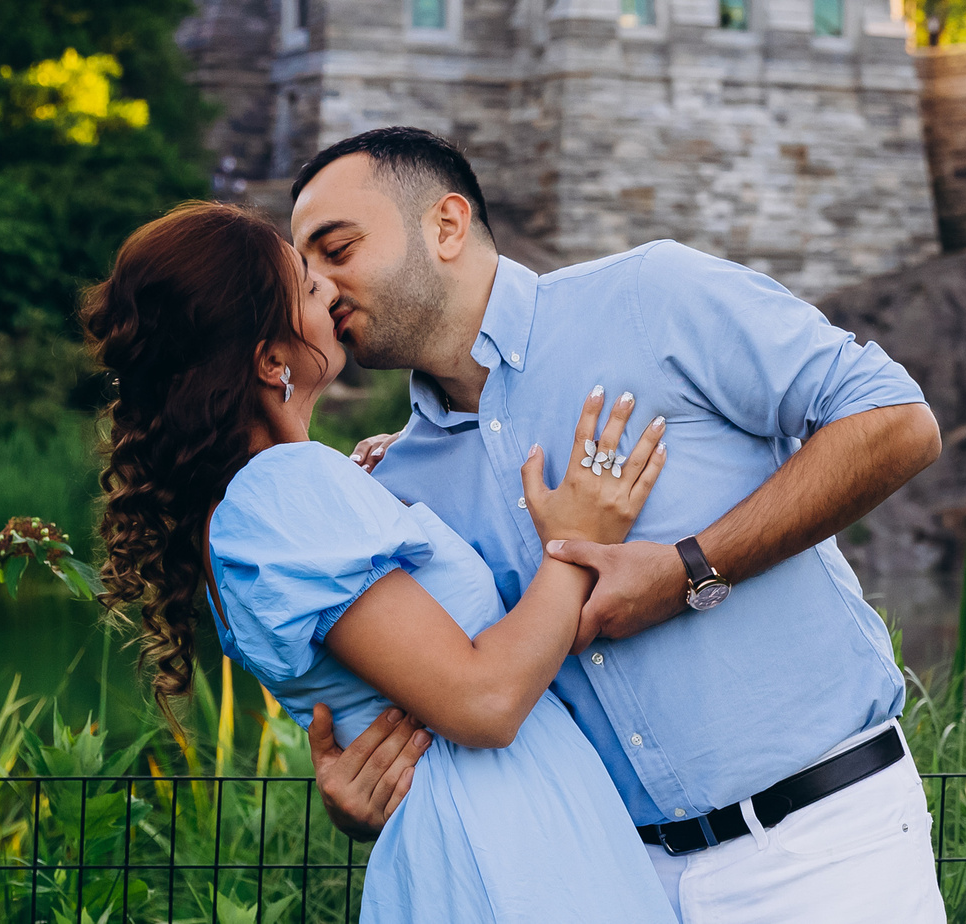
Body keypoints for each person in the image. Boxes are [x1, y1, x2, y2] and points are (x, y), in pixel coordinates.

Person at [288, 128, 946, 924]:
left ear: (447, 226)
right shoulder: (395, 487)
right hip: (606, 884)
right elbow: (468, 696)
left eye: (337, 249)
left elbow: (898, 422)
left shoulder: (652, 297)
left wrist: (688, 570)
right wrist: (372, 794)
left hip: (827, 851)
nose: (319, 288)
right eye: (305, 271)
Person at [86, 201, 678, 924]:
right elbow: (483, 703)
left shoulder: (267, 499)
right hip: (504, 849)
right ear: (271, 361)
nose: (331, 293)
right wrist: (575, 542)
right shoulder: (283, 491)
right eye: (307, 287)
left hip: (493, 830)